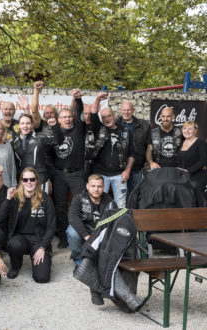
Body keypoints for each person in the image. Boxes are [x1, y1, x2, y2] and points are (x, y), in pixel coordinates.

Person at [0, 168, 56, 283]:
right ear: (21, 182)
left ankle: (44, 259)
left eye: (32, 179)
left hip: (39, 240)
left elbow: (51, 227)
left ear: (37, 181)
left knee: (42, 278)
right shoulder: (15, 198)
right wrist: (8, 199)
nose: (29, 182)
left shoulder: (45, 199)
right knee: (14, 244)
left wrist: (43, 247)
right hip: (20, 239)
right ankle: (15, 266)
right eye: (25, 179)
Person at [50, 89, 88, 248]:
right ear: (58, 119)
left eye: (69, 116)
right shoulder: (54, 130)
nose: (67, 119)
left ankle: (83, 234)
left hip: (76, 174)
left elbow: (79, 112)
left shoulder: (78, 129)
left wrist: (78, 100)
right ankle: (63, 236)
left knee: (81, 204)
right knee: (60, 206)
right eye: (64, 117)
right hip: (59, 174)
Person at [89, 93, 135, 208]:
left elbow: (132, 154)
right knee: (98, 204)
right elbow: (93, 114)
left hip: (119, 174)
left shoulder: (125, 131)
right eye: (103, 117)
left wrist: (127, 171)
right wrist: (97, 100)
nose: (106, 119)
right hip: (101, 174)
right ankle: (101, 226)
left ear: (114, 115)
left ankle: (119, 226)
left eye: (109, 116)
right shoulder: (99, 128)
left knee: (121, 205)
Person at [67, 174, 117, 267]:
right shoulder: (79, 198)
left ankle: (98, 259)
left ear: (103, 187)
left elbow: (113, 222)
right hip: (83, 229)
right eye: (93, 186)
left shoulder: (110, 202)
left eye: (99, 186)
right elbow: (73, 218)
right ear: (87, 186)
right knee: (72, 232)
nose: (96, 189)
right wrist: (86, 236)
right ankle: (78, 260)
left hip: (99, 230)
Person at [116, 101, 151, 194]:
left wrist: (149, 162)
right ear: (120, 110)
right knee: (122, 196)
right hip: (119, 169)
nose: (126, 112)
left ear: (133, 110)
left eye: (129, 110)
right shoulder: (115, 124)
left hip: (137, 168)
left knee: (136, 194)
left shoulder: (144, 125)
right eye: (124, 110)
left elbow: (149, 145)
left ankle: (134, 209)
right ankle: (124, 210)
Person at [178, 121, 207, 199]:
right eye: (184, 128)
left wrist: (188, 170)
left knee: (197, 200)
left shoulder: (200, 142)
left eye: (190, 129)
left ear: (195, 131)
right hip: (185, 178)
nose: (186, 131)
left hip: (198, 177)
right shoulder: (182, 143)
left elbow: (204, 161)